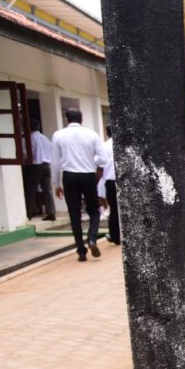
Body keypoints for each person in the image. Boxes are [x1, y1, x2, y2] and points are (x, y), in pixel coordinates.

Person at [51, 109, 104, 261]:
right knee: (94, 210)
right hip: (88, 175)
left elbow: (55, 163)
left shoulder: (58, 135)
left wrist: (56, 184)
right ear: (82, 119)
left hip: (69, 177)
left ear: (67, 119)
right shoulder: (92, 134)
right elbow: (103, 159)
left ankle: (81, 251)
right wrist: (90, 162)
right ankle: (92, 238)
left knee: (74, 214)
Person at [26, 121, 56, 221]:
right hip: (47, 165)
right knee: (48, 189)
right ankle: (51, 212)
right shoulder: (45, 138)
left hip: (36, 165)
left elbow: (30, 152)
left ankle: (30, 211)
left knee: (31, 188)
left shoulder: (30, 137)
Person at [97, 125, 120, 245]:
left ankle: (116, 236)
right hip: (124, 180)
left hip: (111, 181)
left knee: (114, 209)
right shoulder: (124, 143)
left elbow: (99, 163)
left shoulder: (104, 146)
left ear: (107, 133)